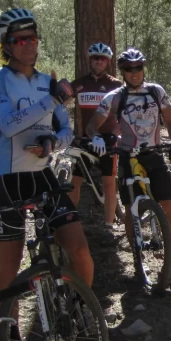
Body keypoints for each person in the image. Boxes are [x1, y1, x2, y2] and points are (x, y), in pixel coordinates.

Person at [0, 8, 94, 341]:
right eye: (20, 40)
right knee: (10, 266)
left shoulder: (48, 81)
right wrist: (53, 100)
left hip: (41, 175)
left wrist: (51, 143)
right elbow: (8, 124)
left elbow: (65, 131)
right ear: (6, 45)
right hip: (6, 179)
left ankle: (77, 311)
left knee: (79, 249)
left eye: (33, 38)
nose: (29, 45)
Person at [87, 47, 171, 292]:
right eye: (129, 69)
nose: (135, 72)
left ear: (143, 68)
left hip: (154, 155)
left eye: (138, 67)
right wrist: (96, 137)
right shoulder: (115, 97)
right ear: (123, 71)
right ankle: (138, 257)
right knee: (132, 210)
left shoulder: (156, 91)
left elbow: (170, 121)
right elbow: (92, 125)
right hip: (128, 157)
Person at [69, 43, 122, 226]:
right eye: (95, 58)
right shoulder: (80, 83)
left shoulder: (116, 85)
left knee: (109, 183)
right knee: (75, 180)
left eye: (103, 59)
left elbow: (125, 115)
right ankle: (70, 222)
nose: (99, 62)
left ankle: (109, 225)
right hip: (87, 139)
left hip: (108, 140)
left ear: (108, 62)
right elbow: (61, 99)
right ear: (90, 60)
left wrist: (115, 134)